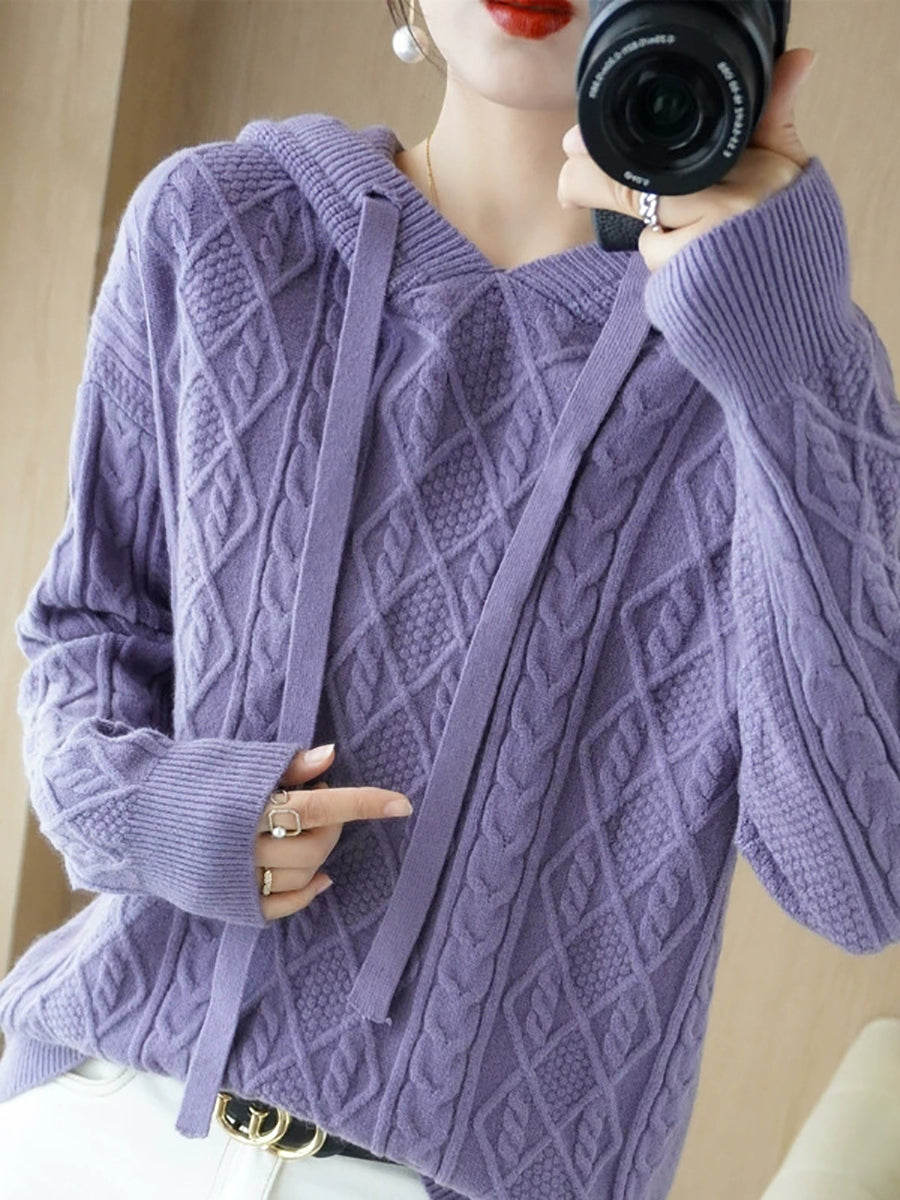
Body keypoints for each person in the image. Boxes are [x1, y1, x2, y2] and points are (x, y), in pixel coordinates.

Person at [0, 1, 897, 1198]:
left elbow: (859, 877)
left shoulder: (775, 367)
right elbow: (88, 644)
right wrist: (160, 814)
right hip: (105, 1121)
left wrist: (787, 358)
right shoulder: (219, 223)